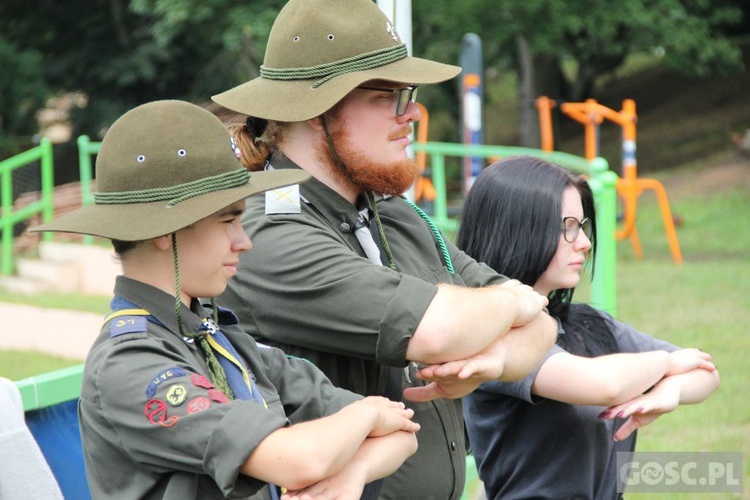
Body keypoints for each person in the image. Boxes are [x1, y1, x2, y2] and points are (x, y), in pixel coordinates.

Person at [210, 0, 558, 498]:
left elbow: (543, 326)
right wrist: (512, 302)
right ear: (316, 110)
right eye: (387, 96)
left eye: (408, 94)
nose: (412, 112)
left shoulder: (388, 213)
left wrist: (497, 358)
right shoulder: (265, 232)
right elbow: (438, 331)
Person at [31, 100, 421, 500]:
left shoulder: (222, 340)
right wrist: (364, 415)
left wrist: (354, 470)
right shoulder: (131, 364)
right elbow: (302, 459)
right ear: (166, 230)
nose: (244, 240)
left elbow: (404, 433)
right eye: (228, 221)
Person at [452, 155, 720, 499]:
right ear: (518, 229)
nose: (584, 242)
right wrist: (668, 365)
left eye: (581, 226)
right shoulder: (492, 338)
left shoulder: (587, 325)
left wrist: (672, 391)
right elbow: (604, 384)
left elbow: (706, 373)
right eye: (567, 227)